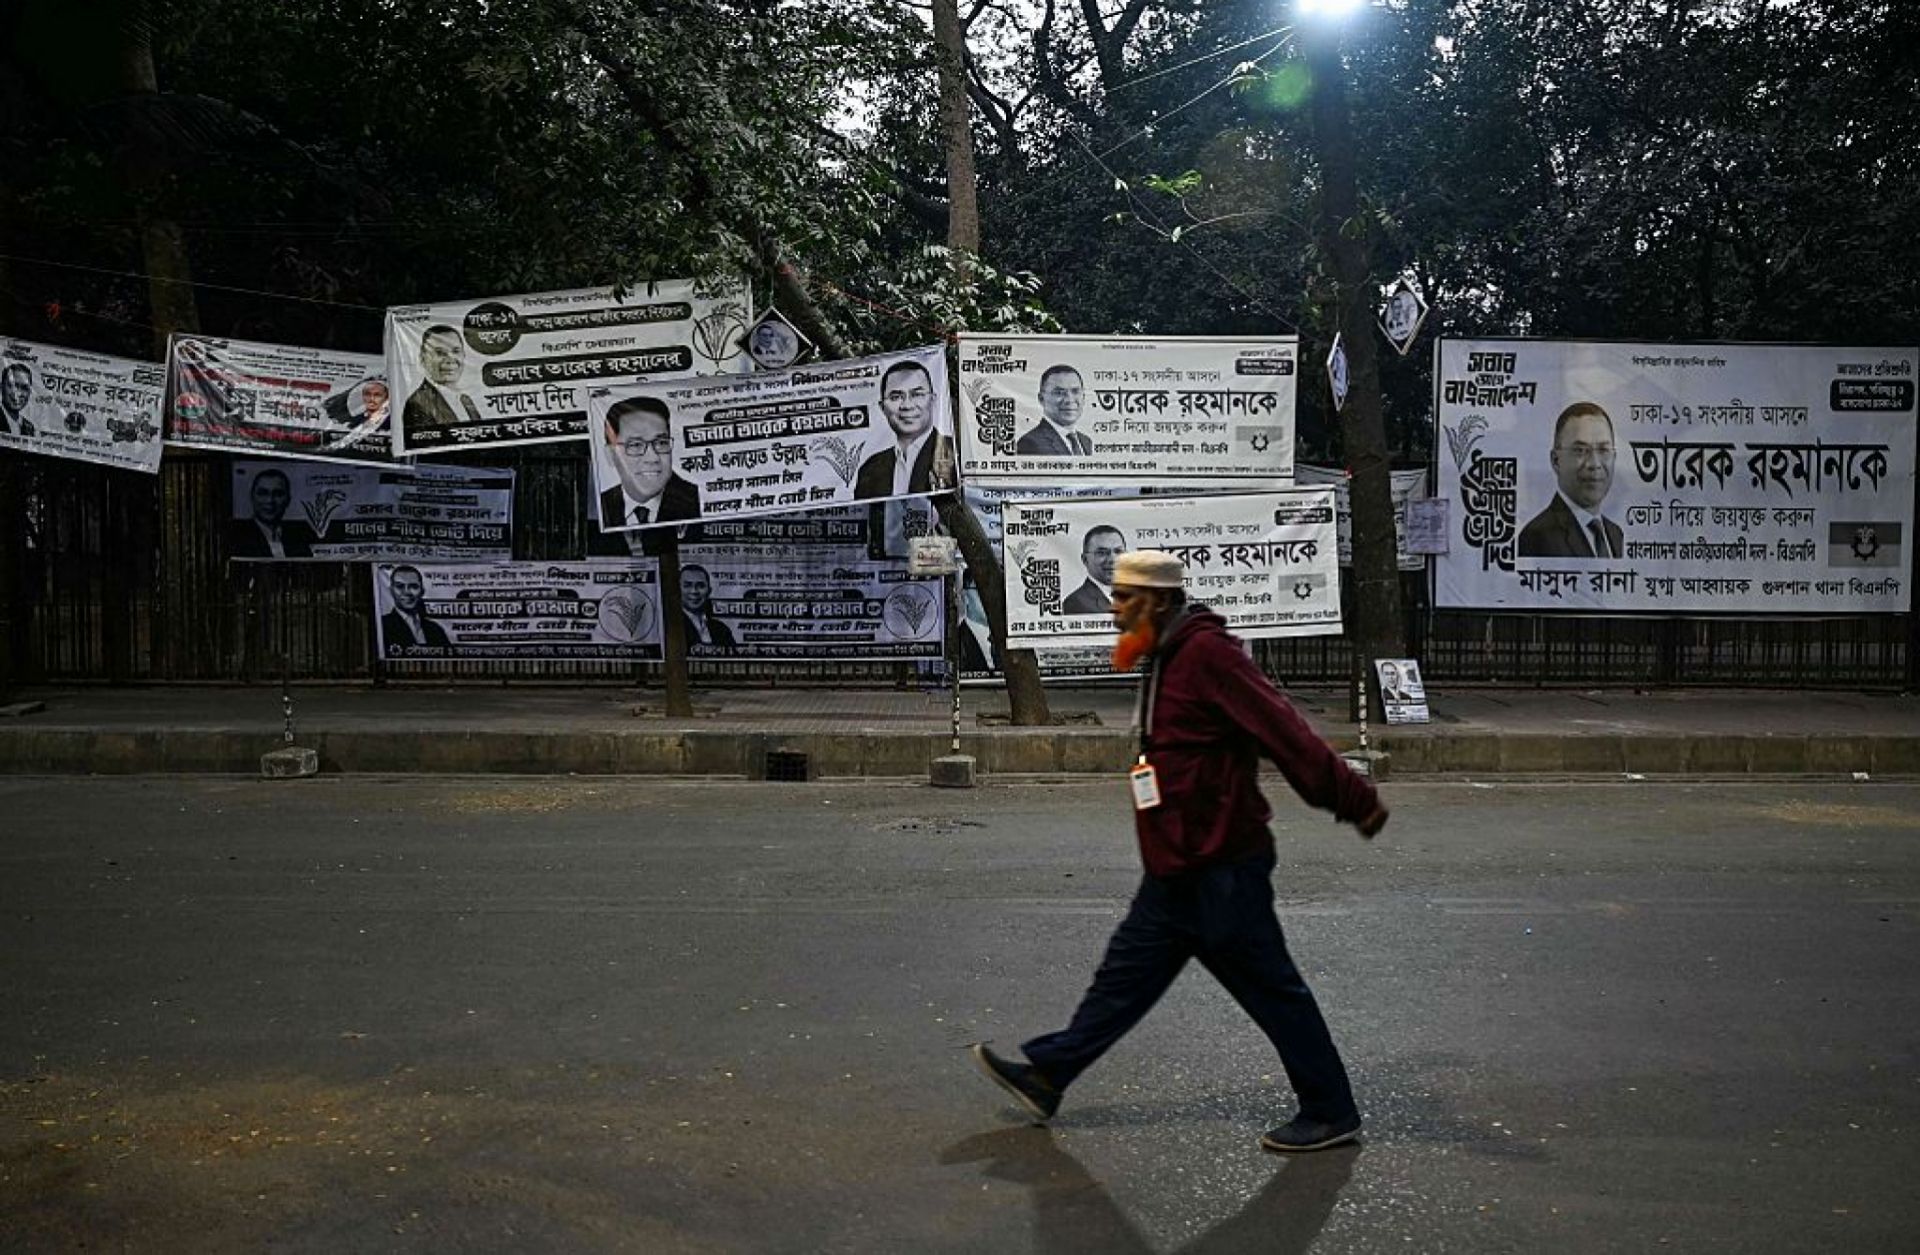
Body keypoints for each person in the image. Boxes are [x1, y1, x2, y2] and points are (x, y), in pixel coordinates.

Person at [970, 550, 1389, 1154]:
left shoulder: (1208, 656)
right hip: (1175, 869)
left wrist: (1353, 798)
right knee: (1121, 979)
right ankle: (1047, 1076)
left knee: (1273, 990)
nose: (1113, 610)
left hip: (1222, 867)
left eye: (1124, 599)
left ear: (1160, 601)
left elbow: (1284, 732)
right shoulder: (1163, 656)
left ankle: (1331, 1109)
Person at [1518, 401, 1623, 559]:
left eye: (1603, 450)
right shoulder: (1537, 536)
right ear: (1556, 461)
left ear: (1614, 457)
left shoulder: (1615, 535)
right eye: (1580, 451)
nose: (1594, 464)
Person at [855, 359, 954, 500]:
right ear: (882, 407)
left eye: (917, 394)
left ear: (933, 400)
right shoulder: (870, 469)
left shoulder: (955, 454)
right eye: (896, 397)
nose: (907, 405)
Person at [598, 396, 700, 529]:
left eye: (661, 443)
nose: (652, 458)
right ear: (611, 455)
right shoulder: (601, 505)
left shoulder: (696, 500)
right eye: (635, 445)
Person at [403, 324, 481, 432]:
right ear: (422, 358)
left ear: (464, 355)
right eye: (440, 353)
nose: (450, 359)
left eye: (456, 351)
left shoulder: (466, 400)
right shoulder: (418, 403)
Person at [228, 467, 316, 559]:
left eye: (278, 494)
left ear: (288, 500)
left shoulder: (301, 535)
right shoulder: (237, 536)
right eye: (263, 493)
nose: (270, 500)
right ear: (252, 497)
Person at [1016, 364, 1093, 456]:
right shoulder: (1030, 443)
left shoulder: (1086, 441)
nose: (1069, 399)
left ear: (1084, 397)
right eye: (1059, 393)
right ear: (1041, 399)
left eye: (1075, 391)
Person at [380, 564, 451, 647]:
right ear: (391, 590)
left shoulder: (435, 629)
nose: (407, 592)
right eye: (400, 586)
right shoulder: (382, 626)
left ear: (422, 591)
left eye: (413, 586)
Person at [1062, 525, 1125, 615]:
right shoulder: (1076, 602)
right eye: (1102, 553)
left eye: (1118, 551)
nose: (1112, 559)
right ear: (1085, 559)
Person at [680, 563, 736, 648]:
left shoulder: (721, 629)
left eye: (700, 586)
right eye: (687, 585)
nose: (694, 591)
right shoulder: (672, 627)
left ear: (709, 591)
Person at [1, 363, 37, 437]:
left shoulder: (29, 428)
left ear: (30, 392)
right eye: (13, 386)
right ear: (1, 387)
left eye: (24, 388)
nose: (18, 394)